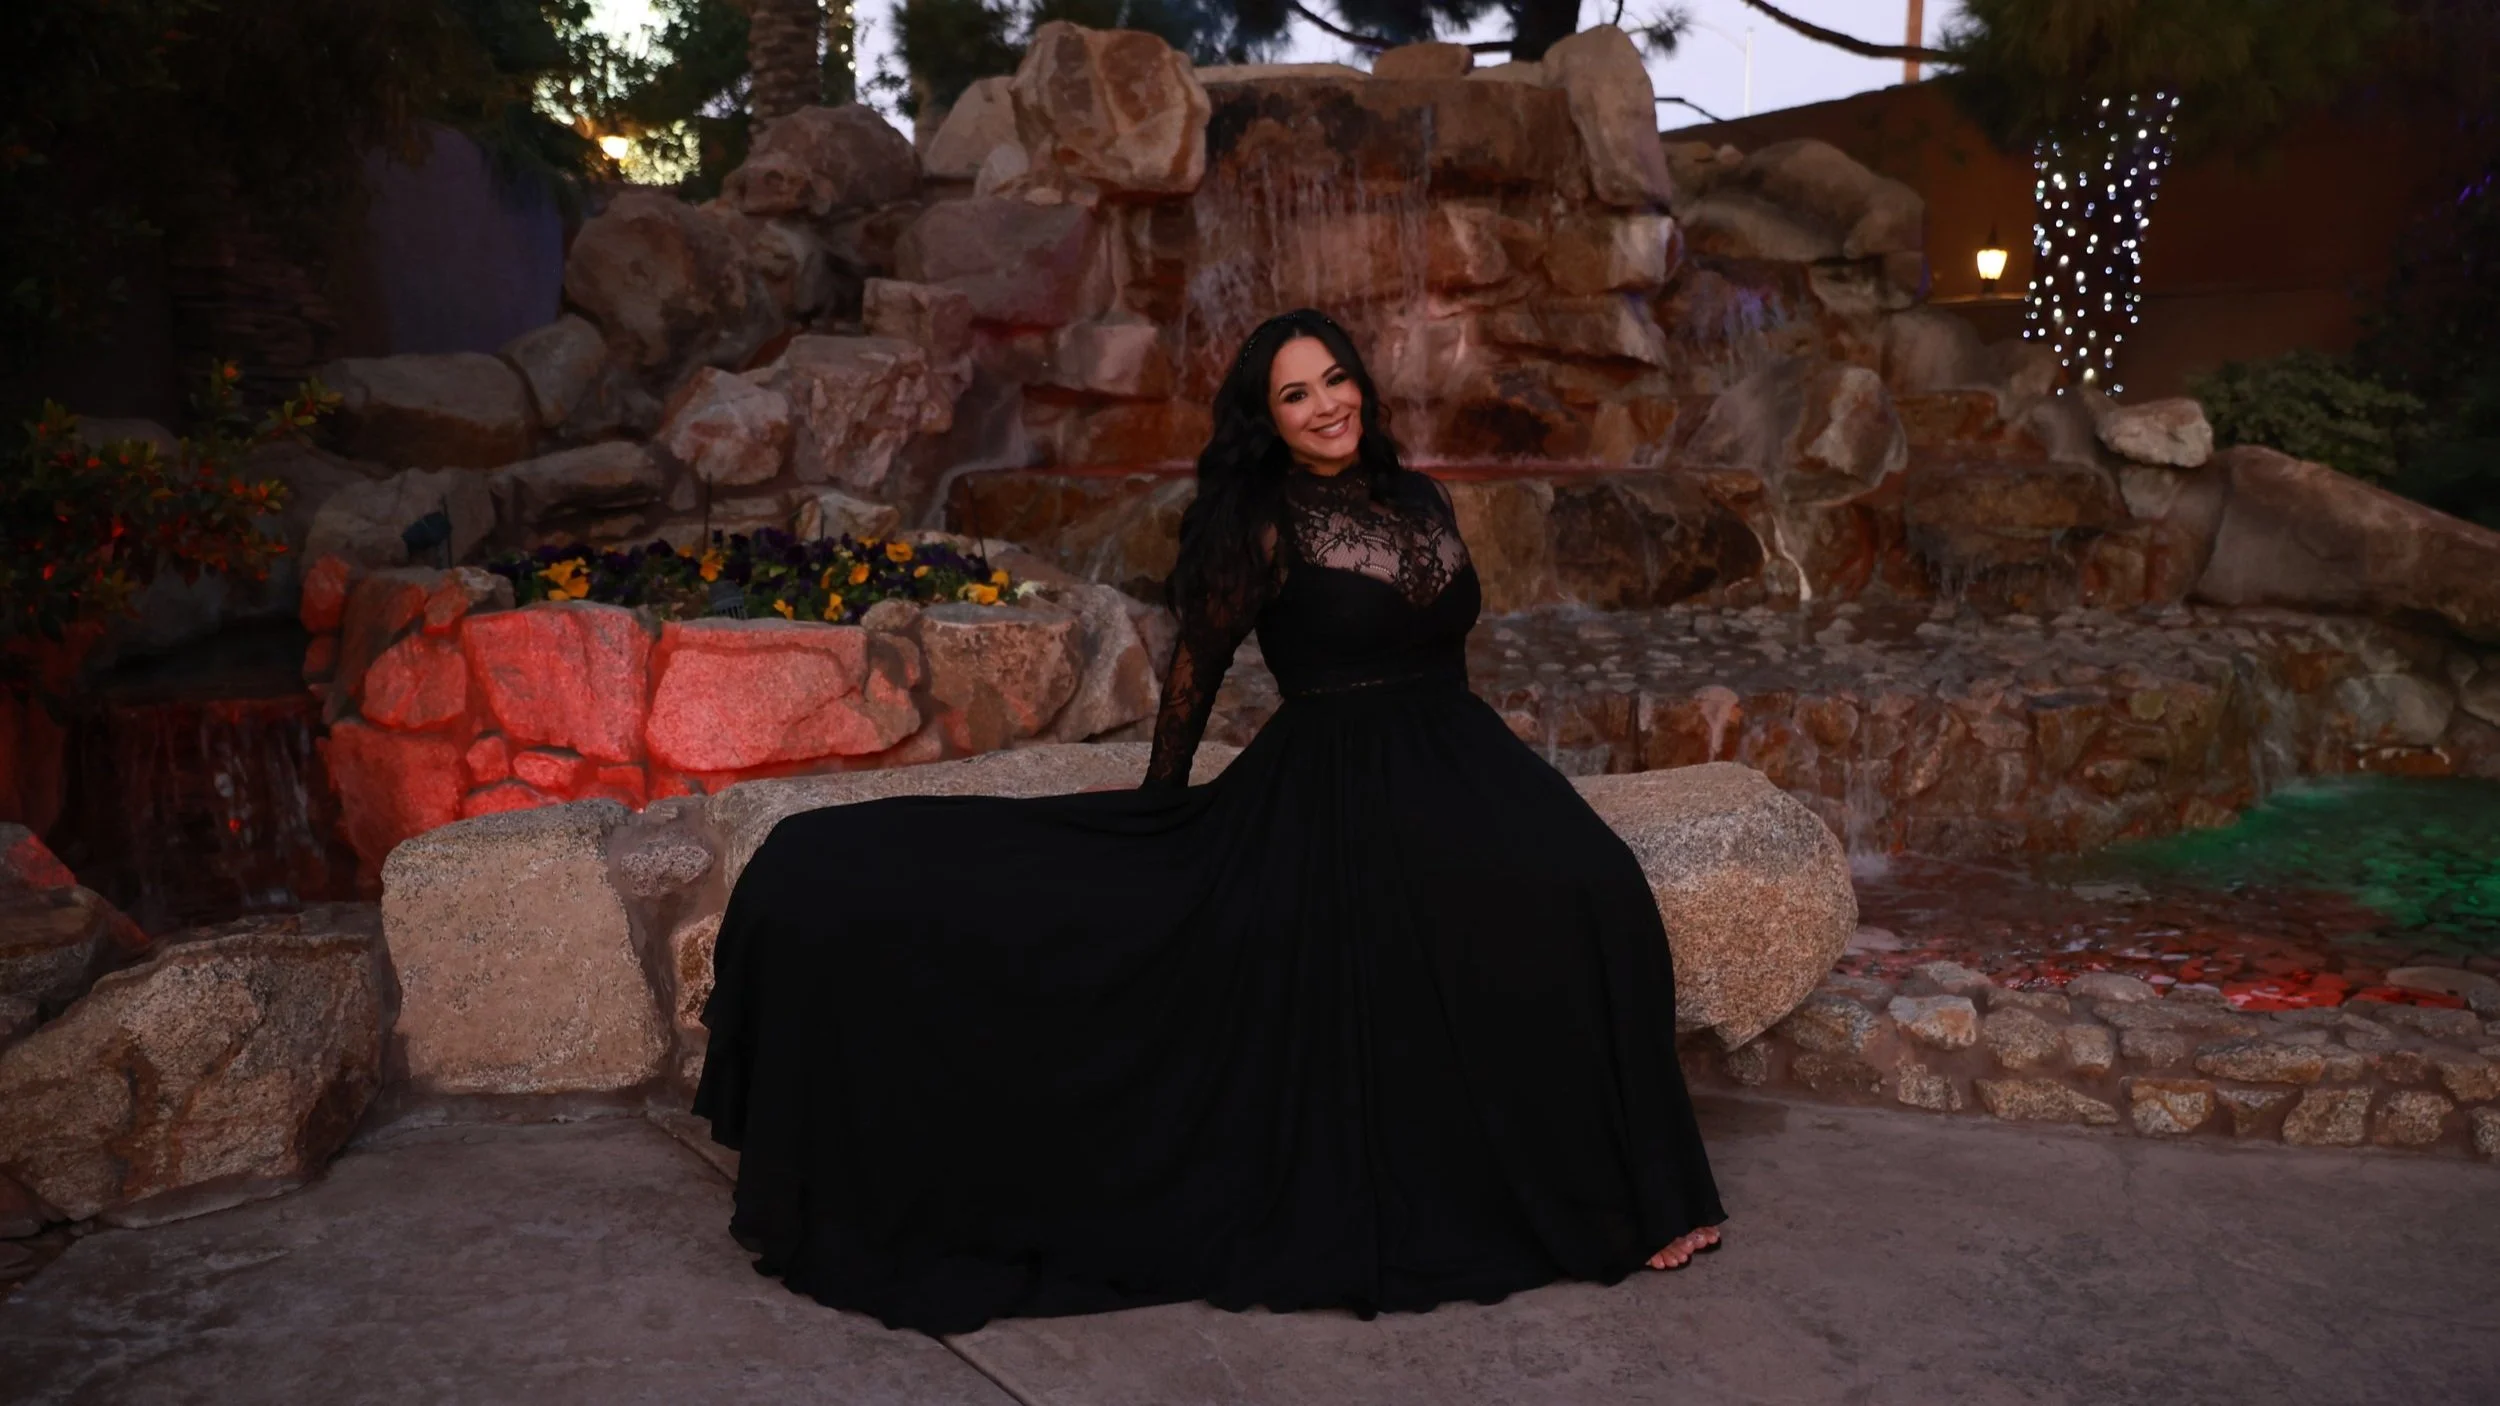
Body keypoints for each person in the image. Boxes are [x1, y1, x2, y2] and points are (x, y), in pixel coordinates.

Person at [695, 308, 1726, 1335]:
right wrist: (1161, 813)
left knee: (1597, 889)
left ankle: (1636, 1193)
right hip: (1335, 777)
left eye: (1334, 378)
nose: (1326, 404)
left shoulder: (1417, 493)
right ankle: (1601, 1206)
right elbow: (1197, 667)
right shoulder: (1254, 519)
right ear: (1266, 418)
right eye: (1296, 393)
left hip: (1458, 749)